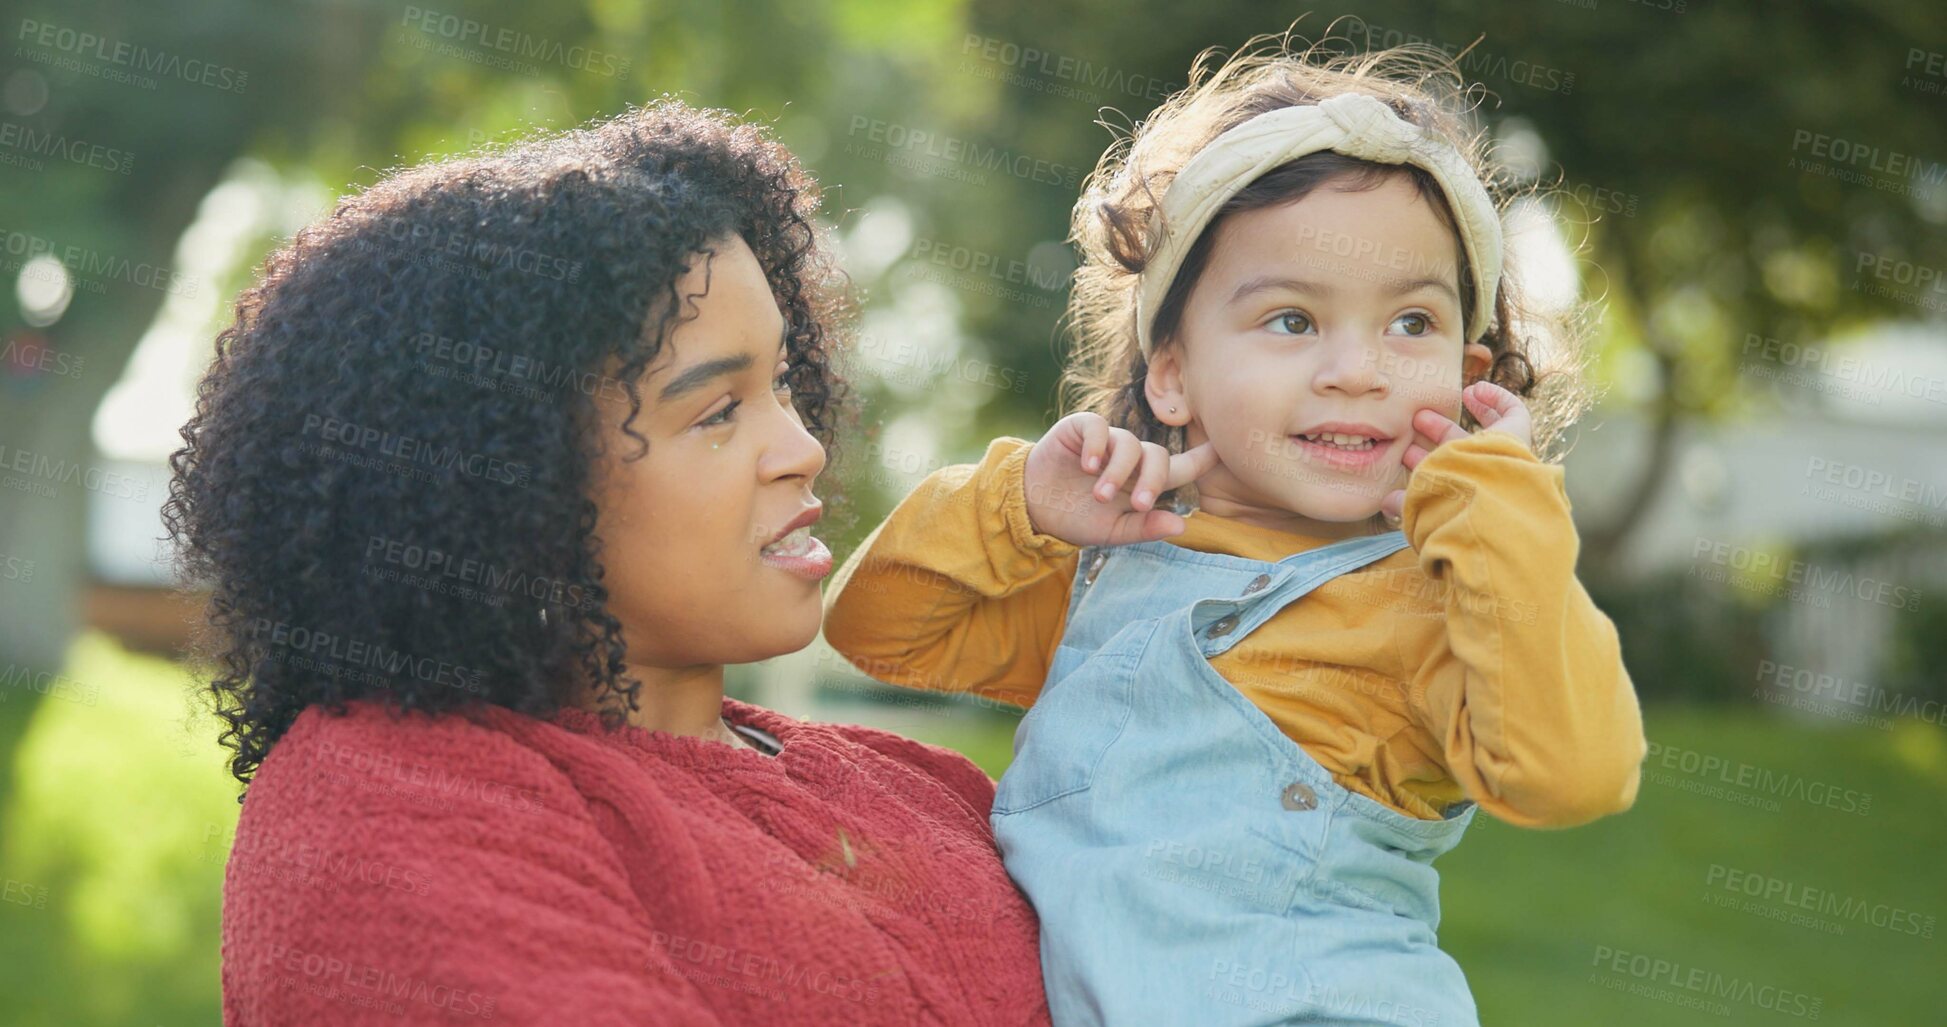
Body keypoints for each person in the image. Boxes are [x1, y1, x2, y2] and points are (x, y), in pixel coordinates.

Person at [166, 99, 1050, 1026]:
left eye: (781, 381)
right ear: (510, 483)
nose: (802, 447)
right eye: (716, 411)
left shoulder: (928, 787)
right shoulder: (388, 805)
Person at [822, 36, 1648, 1026]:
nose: (1359, 369)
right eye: (1293, 321)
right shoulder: (1106, 573)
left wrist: (1501, 512)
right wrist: (1020, 507)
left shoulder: (1433, 602)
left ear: (1469, 370)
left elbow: (1575, 773)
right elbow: (876, 627)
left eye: (1412, 324)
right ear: (1169, 371)